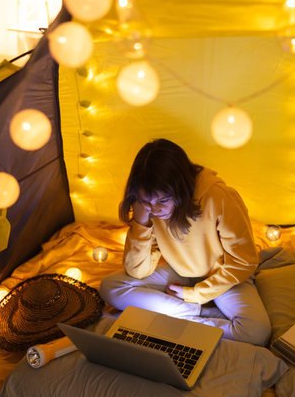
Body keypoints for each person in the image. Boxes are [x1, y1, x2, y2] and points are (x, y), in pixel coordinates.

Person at [99, 138, 271, 346]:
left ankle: (178, 315)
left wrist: (195, 294)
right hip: (181, 273)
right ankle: (197, 314)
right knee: (110, 287)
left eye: (163, 201)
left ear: (181, 188)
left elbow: (244, 262)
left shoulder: (219, 197)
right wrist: (140, 222)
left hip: (224, 276)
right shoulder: (147, 209)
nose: (155, 210)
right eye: (146, 201)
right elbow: (137, 271)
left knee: (257, 332)